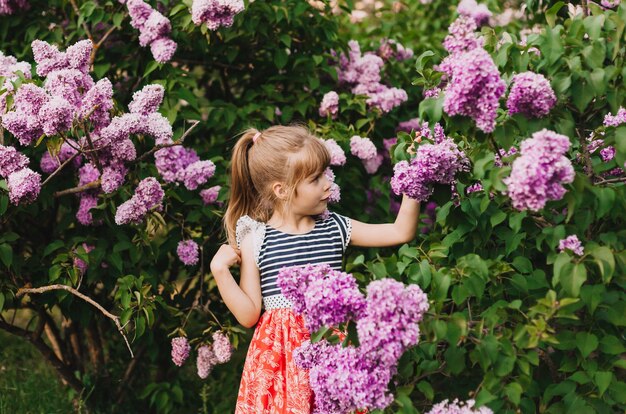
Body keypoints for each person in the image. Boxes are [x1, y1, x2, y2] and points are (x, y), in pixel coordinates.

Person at [209, 125, 420, 413]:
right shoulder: (256, 238)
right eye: (315, 178)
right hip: (281, 364)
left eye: (325, 174)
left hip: (333, 349)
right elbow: (249, 315)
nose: (327, 185)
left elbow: (400, 232)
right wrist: (220, 269)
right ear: (282, 190)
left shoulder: (335, 227)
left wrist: (415, 172)